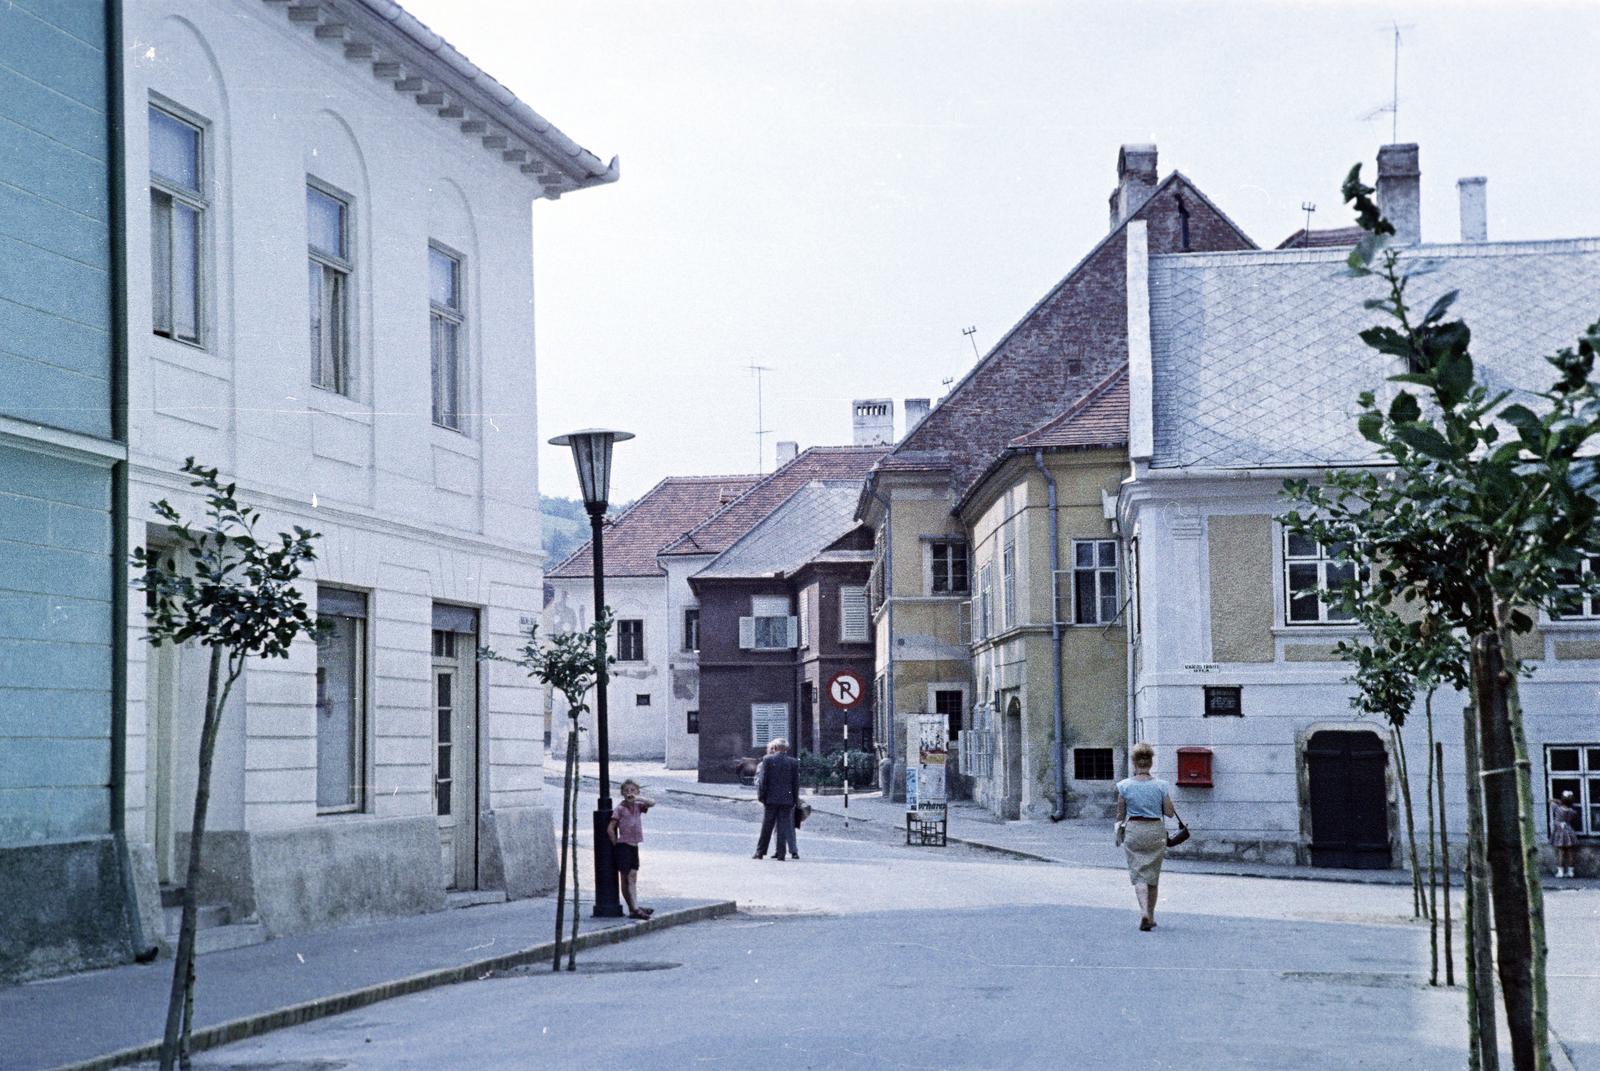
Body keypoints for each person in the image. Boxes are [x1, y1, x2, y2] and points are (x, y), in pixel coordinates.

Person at [1114, 742, 1177, 931]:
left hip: (1134, 829)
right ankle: (1151, 915)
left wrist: (1118, 830)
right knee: (1153, 875)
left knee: (1139, 873)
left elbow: (1120, 814)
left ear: (1134, 762)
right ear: (1150, 763)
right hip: (1155, 831)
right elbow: (1169, 812)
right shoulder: (1161, 786)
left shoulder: (1124, 786)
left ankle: (1143, 912)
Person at [607, 779, 655, 919]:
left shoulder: (638, 806)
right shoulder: (620, 808)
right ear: (622, 793)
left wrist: (638, 798)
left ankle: (635, 907)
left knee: (633, 876)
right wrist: (616, 843)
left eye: (632, 790)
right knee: (626, 878)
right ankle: (633, 908)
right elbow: (610, 828)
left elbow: (652, 803)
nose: (629, 793)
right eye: (626, 791)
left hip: (634, 845)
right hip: (624, 845)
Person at [753, 738, 801, 861]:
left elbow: (763, 781)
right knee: (782, 826)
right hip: (787, 800)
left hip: (771, 799)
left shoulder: (768, 760)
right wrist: (795, 800)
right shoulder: (793, 762)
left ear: (775, 747)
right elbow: (795, 783)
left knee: (767, 826)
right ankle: (781, 854)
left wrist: (761, 796)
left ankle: (760, 852)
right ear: (786, 749)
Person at [1551, 789, 1580, 878]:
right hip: (1569, 831)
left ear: (1562, 800)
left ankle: (1560, 871)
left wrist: (1559, 801)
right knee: (1570, 852)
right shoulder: (1572, 811)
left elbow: (1550, 800)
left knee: (1561, 852)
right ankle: (1571, 872)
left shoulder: (1557, 808)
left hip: (1560, 831)